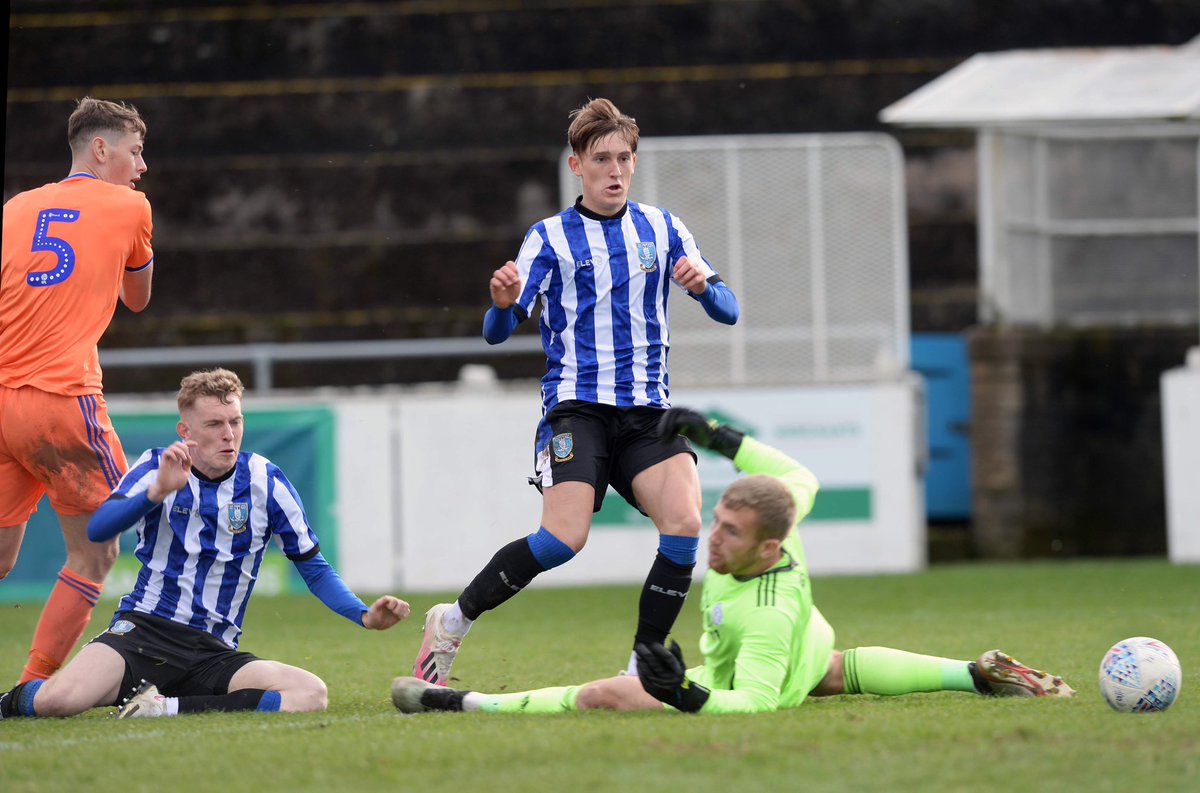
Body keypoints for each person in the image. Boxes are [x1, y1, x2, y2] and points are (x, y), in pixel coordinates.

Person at [392, 407, 1075, 714]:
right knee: (839, 671)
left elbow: (750, 702)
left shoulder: (765, 618)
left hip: (763, 661)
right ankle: (971, 673)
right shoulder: (780, 520)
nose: (711, 540)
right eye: (717, 521)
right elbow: (795, 471)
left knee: (604, 695)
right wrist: (716, 436)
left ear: (768, 549)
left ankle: (461, 702)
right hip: (809, 646)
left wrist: (683, 692)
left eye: (730, 533)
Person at [412, 98, 740, 686]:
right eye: (601, 159)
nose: (615, 170)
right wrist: (502, 305)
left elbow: (729, 310)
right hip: (578, 409)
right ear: (576, 166)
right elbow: (496, 334)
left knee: (686, 522)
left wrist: (704, 288)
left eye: (624, 158)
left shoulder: (663, 228)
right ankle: (453, 620)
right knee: (564, 539)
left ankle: (645, 661)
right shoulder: (548, 239)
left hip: (646, 413)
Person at [0, 368, 410, 719]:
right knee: (60, 701)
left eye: (235, 421)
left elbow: (313, 567)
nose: (229, 434)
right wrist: (156, 491)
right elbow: (98, 529)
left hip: (213, 650)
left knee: (310, 694)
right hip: (144, 632)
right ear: (187, 431)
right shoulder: (157, 466)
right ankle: (7, 704)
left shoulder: (266, 480)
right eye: (215, 424)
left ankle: (162, 708)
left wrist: (362, 616)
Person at [1, 97, 156, 683]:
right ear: (100, 149)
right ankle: (33, 684)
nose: (141, 167)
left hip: (2, 396)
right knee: (95, 553)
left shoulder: (17, 207)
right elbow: (137, 300)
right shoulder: (130, 206)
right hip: (62, 398)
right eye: (135, 151)